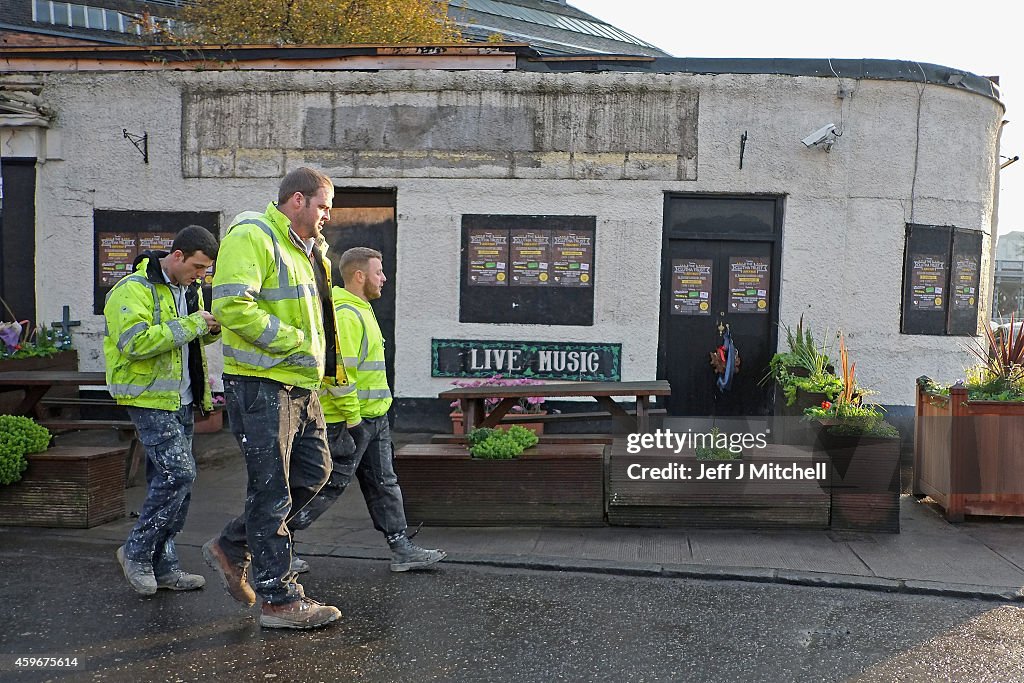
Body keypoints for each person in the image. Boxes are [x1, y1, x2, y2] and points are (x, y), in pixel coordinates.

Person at [203, 167, 353, 630]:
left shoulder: (313, 251)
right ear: (296, 201)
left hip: (301, 387)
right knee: (271, 490)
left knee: (315, 473)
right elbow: (230, 306)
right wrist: (293, 341)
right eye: (323, 205)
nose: (328, 215)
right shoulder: (254, 234)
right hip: (262, 384)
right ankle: (279, 600)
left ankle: (231, 546)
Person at [288, 247, 446, 573]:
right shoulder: (346, 314)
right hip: (347, 421)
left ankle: (402, 549)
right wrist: (354, 419)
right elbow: (338, 374)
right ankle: (277, 544)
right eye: (378, 272)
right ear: (359, 276)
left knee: (384, 483)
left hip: (373, 417)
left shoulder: (360, 308)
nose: (384, 278)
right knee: (324, 485)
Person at [104, 225, 221, 596]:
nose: (201, 275)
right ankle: (136, 552)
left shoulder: (187, 289)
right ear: (176, 256)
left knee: (173, 484)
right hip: (147, 398)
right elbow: (134, 342)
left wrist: (210, 329)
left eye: (206, 270)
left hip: (181, 399)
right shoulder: (131, 290)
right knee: (178, 475)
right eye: (197, 267)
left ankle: (165, 564)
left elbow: (191, 336)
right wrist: (192, 324)